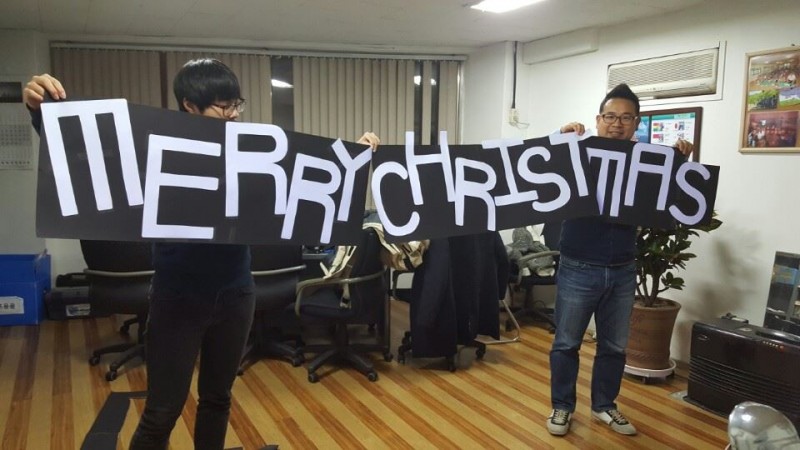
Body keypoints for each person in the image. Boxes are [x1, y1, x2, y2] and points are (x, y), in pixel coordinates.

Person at [23, 60, 380, 450]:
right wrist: (42, 114)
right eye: (223, 107)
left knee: (218, 399)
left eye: (236, 105)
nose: (233, 115)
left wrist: (355, 159)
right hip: (178, 298)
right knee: (162, 412)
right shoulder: (158, 149)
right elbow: (89, 160)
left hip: (236, 294)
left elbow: (305, 179)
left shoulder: (249, 154)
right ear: (189, 106)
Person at [546, 83, 693, 437]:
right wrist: (558, 137)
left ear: (636, 123)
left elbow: (670, 197)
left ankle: (604, 405)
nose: (617, 124)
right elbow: (543, 169)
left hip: (624, 268)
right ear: (598, 119)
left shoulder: (646, 162)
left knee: (613, 347)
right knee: (566, 343)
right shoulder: (577, 153)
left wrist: (679, 160)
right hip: (578, 265)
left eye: (626, 118)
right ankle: (562, 406)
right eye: (610, 116)